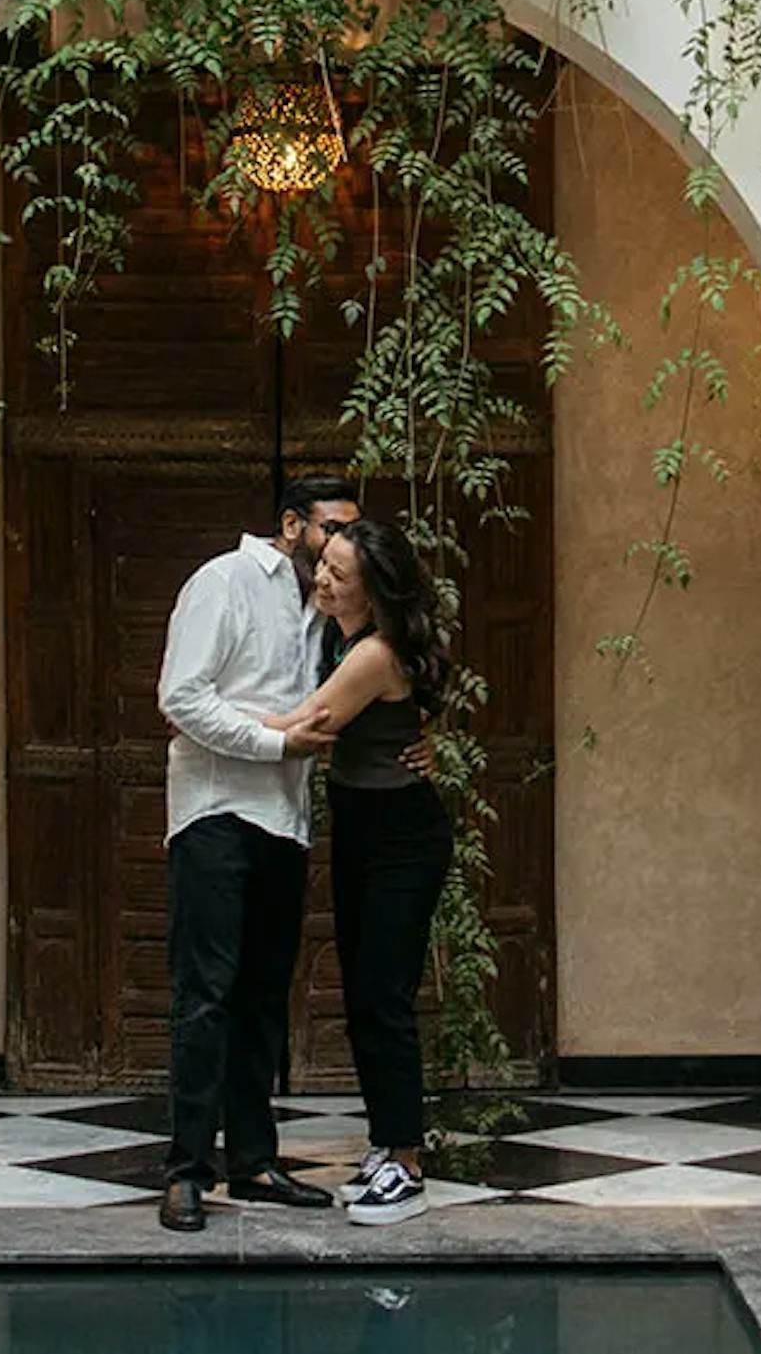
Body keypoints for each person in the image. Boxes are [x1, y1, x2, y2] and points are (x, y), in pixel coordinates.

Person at [152, 473, 360, 1232]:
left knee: (264, 1000)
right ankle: (185, 1172)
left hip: (285, 823)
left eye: (348, 532)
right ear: (290, 523)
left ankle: (255, 1161)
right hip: (216, 815)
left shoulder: (327, 608)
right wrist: (276, 741)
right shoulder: (226, 580)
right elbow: (181, 696)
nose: (341, 543)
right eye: (330, 527)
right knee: (204, 997)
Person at [266, 512, 455, 1225]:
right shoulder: (344, 635)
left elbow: (310, 723)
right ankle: (386, 1142)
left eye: (339, 574)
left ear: (372, 592)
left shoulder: (373, 653)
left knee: (384, 998)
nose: (322, 577)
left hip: (402, 837)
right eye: (324, 564)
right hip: (364, 831)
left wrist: (204, 714)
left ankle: (406, 1164)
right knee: (366, 994)